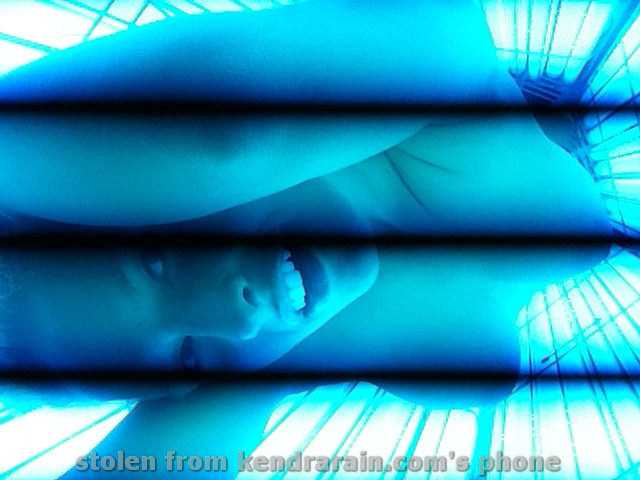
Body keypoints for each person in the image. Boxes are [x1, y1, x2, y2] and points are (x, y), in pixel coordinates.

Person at [0, 0, 610, 387]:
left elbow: (225, 134)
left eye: (156, 258)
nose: (236, 321)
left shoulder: (427, 51)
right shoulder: (279, 350)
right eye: (186, 356)